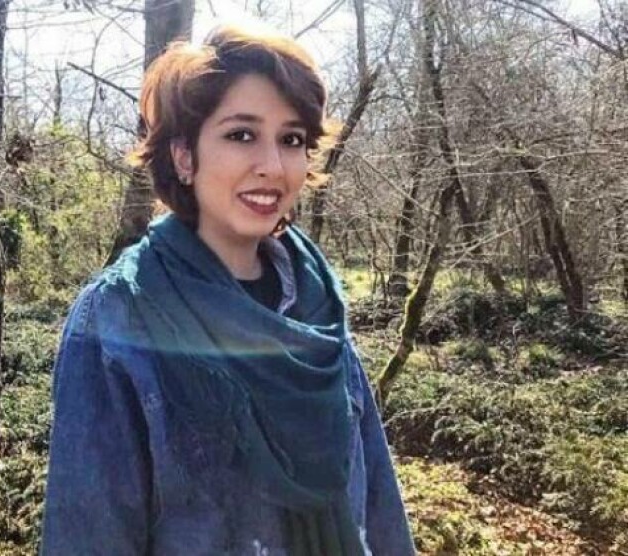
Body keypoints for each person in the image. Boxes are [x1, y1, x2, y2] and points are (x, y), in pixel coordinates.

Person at [40, 24, 414, 556]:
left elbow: (379, 511)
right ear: (183, 155)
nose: (273, 166)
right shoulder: (118, 318)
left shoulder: (317, 310)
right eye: (241, 135)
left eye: (292, 139)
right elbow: (88, 539)